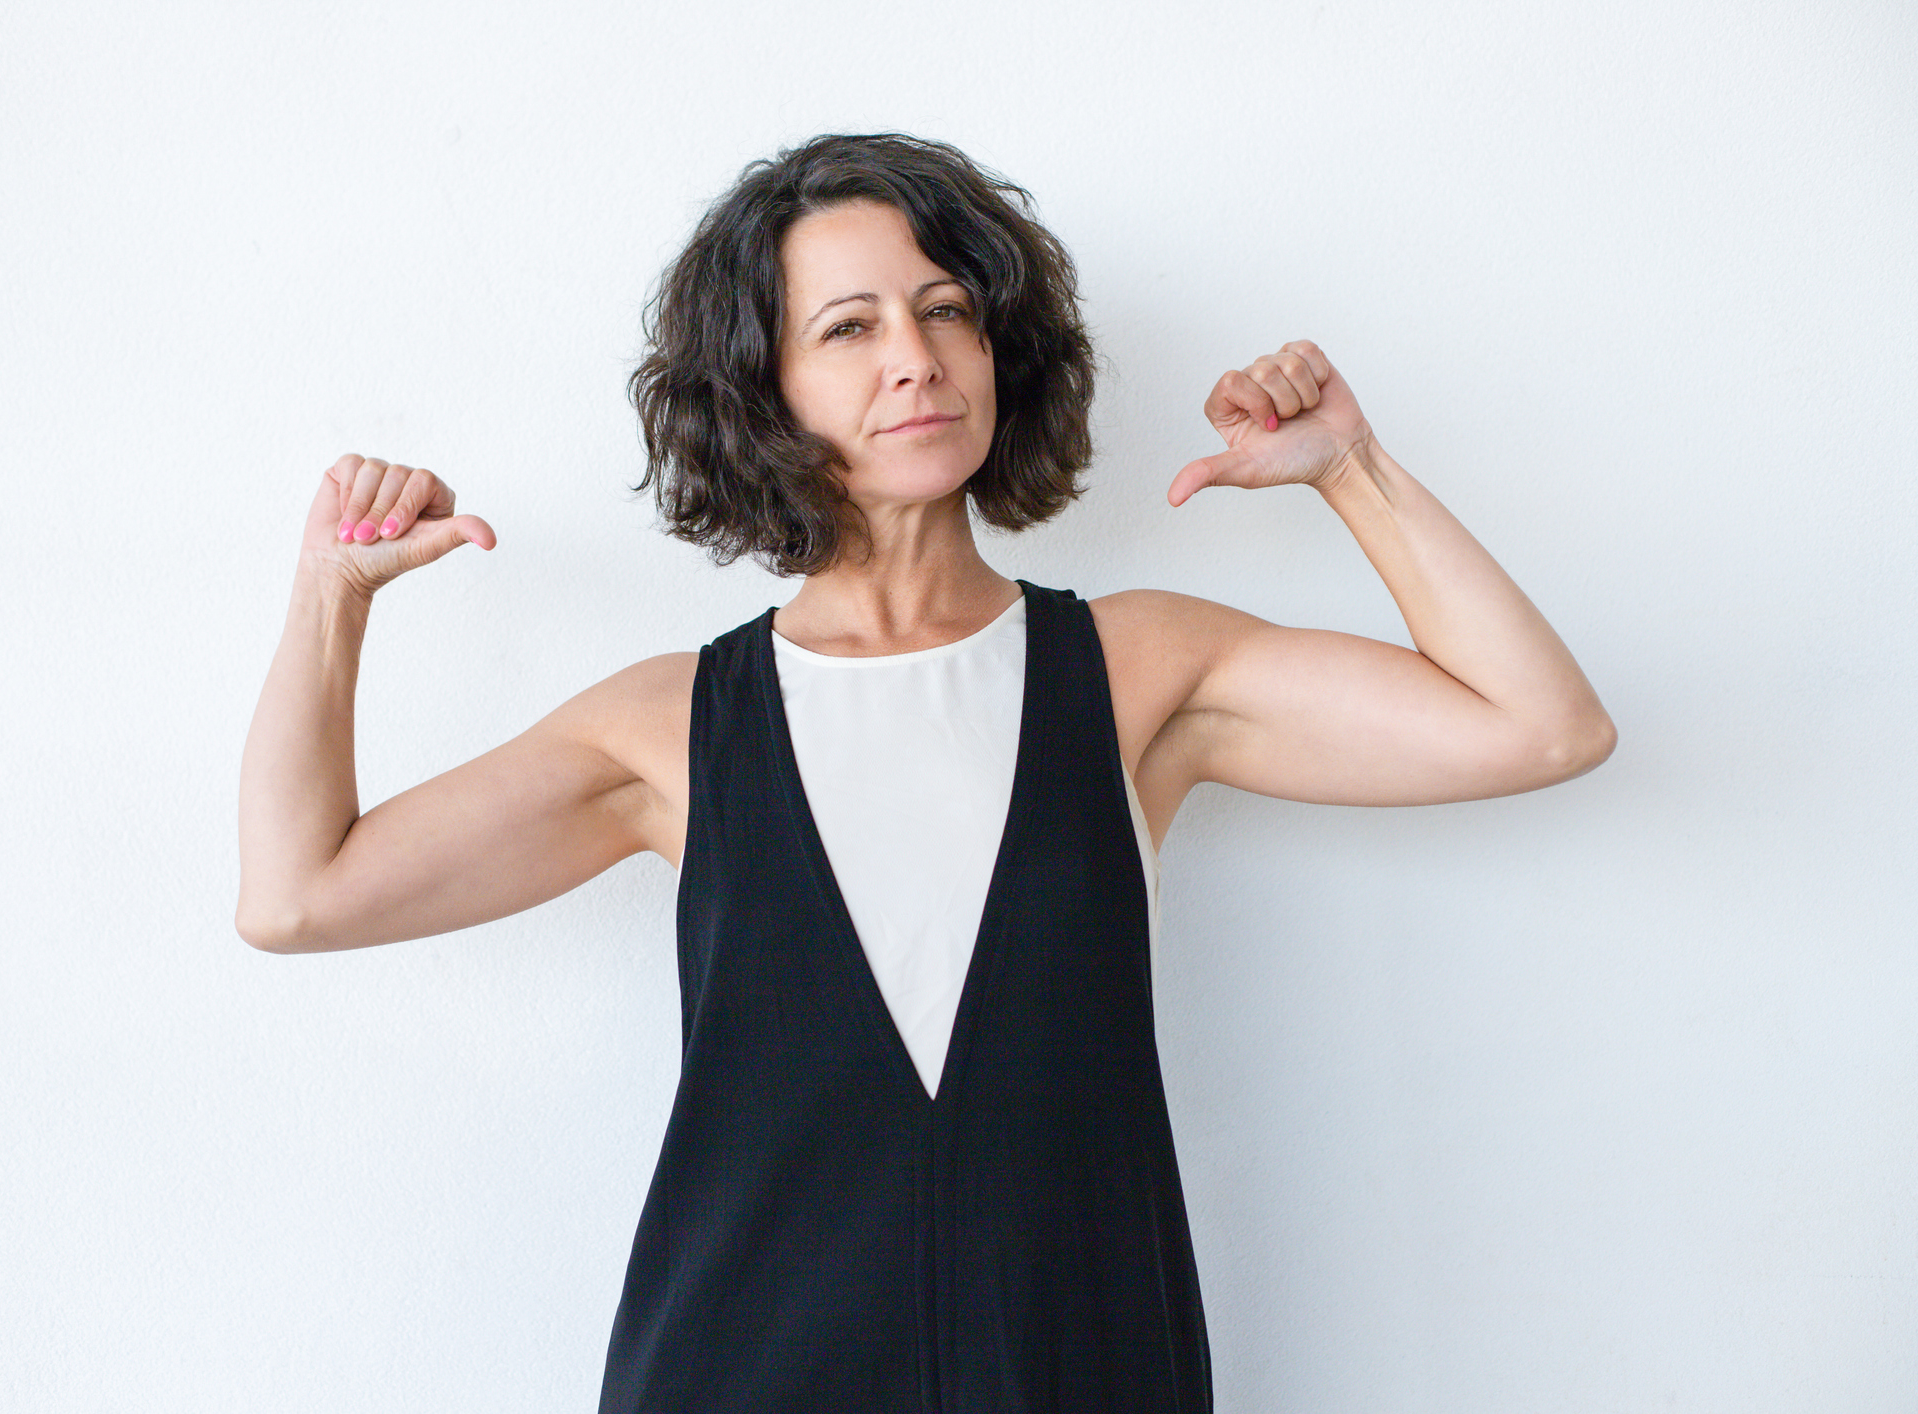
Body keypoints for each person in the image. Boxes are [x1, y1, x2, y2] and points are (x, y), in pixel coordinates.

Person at [236, 132, 1615, 1413]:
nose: (916, 354)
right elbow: (298, 893)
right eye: (848, 327)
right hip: (738, 1365)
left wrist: (1351, 469)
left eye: (944, 308)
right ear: (762, 390)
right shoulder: (672, 727)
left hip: (1080, 1364)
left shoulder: (1134, 670)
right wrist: (331, 597)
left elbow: (1538, 726)